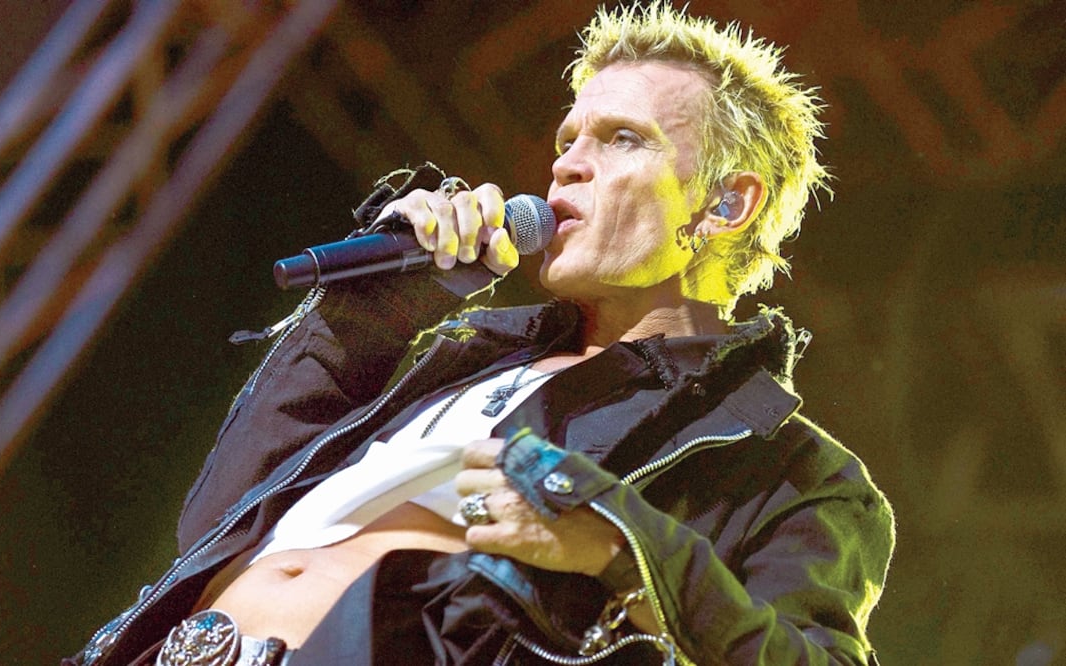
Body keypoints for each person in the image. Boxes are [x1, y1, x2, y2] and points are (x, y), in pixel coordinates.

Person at [69, 4, 894, 665]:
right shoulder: (462, 357)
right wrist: (376, 312)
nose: (566, 164)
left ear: (724, 204)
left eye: (621, 139)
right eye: (567, 140)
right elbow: (216, 521)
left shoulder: (785, 470)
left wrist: (625, 549)